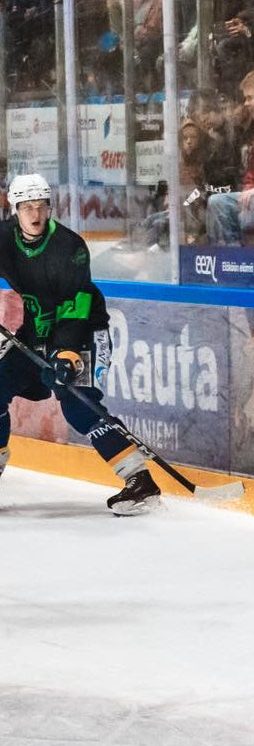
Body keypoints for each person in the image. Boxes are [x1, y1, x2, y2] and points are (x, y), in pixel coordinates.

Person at [0, 175, 160, 514]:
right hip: (36, 333)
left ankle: (140, 480)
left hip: (83, 332)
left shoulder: (68, 247)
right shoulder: (4, 238)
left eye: (41, 206)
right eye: (27, 207)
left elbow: (76, 305)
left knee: (79, 405)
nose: (35, 214)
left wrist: (67, 353)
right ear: (15, 209)